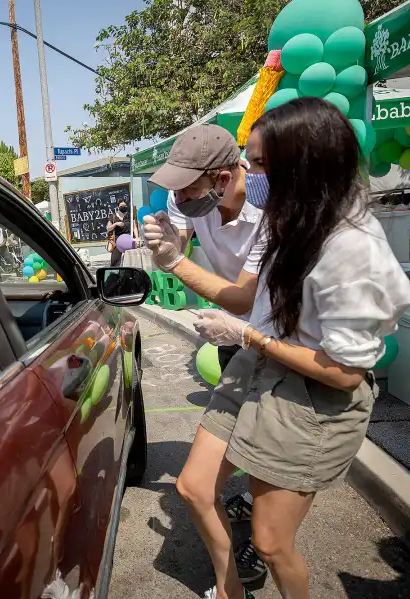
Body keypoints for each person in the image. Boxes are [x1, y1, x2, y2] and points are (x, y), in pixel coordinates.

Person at [144, 97, 410, 599]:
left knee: (270, 542)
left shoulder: (352, 247)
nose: (253, 174)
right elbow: (250, 297)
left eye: (262, 164)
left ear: (304, 166)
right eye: (252, 161)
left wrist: (246, 334)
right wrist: (170, 252)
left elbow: (343, 374)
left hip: (308, 394)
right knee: (193, 487)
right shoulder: (294, 218)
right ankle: (231, 592)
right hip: (258, 363)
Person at [148, 124, 269, 583]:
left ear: (222, 177)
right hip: (232, 337)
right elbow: (178, 240)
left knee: (265, 440)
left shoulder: (270, 210)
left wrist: (175, 263)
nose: (177, 199)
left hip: (278, 336)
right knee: (239, 437)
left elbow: (241, 298)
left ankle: (261, 537)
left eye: (187, 186)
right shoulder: (189, 201)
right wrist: (166, 242)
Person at [106, 199, 131, 267]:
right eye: (121, 205)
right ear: (118, 207)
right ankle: (114, 274)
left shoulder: (130, 216)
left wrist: (136, 237)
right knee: (115, 261)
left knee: (130, 260)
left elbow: (134, 227)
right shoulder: (113, 216)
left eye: (125, 205)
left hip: (129, 240)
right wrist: (115, 224)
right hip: (117, 242)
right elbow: (108, 228)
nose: (123, 207)